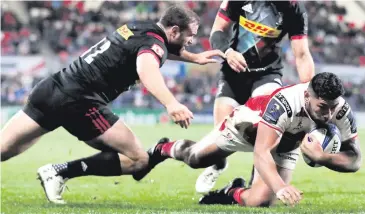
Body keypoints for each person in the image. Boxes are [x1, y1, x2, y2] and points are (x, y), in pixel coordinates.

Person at [0, 5, 225, 204]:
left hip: (52, 88)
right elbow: (147, 69)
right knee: (138, 159)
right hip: (80, 101)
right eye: (190, 36)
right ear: (174, 30)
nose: (192, 41)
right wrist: (171, 103)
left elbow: (159, 50)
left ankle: (56, 172)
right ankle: (58, 172)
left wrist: (194, 57)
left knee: (4, 149)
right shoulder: (154, 43)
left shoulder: (139, 28)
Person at [136, 72, 361, 207]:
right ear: (306, 96)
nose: (329, 115)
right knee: (196, 159)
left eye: (333, 108)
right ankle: (162, 148)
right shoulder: (284, 102)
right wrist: (280, 187)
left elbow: (355, 160)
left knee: (261, 202)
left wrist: (324, 158)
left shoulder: (340, 109)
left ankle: (229, 192)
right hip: (248, 125)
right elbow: (261, 152)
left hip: (288, 139)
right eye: (323, 107)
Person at [197, 0, 316, 194]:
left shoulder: (294, 7)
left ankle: (255, 183)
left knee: (264, 129)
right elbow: (218, 30)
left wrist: (308, 97)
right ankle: (218, 165)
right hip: (233, 73)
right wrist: (227, 52)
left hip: (267, 75)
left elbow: (302, 54)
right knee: (220, 136)